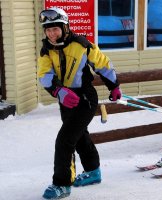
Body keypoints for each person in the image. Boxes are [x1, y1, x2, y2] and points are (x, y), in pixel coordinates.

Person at [37, 7, 122, 200]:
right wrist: (58, 91)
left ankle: (62, 183)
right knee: (80, 136)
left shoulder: (82, 44)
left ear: (65, 27)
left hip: (84, 98)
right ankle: (93, 172)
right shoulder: (46, 50)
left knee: (64, 140)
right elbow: (44, 75)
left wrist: (114, 86)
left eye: (55, 28)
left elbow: (103, 64)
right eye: (48, 29)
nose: (51, 33)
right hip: (64, 98)